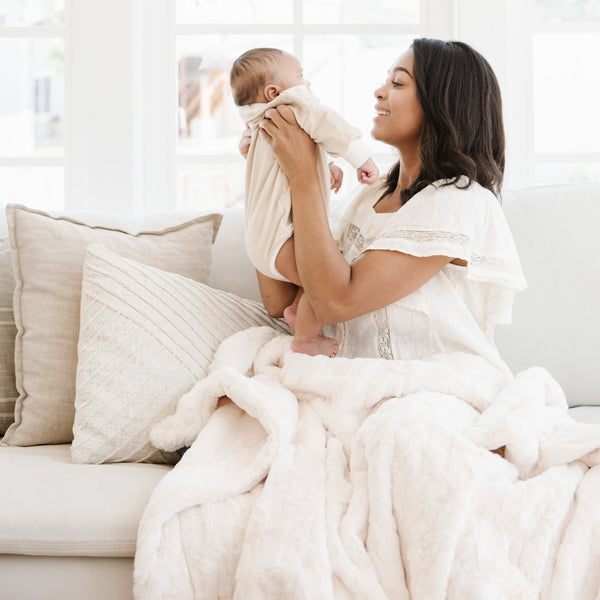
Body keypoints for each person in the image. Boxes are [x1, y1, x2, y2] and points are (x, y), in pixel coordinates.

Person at [255, 38, 526, 374]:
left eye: (397, 83)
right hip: (351, 383)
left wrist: (305, 179)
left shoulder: (458, 199)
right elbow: (279, 301)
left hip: (434, 386)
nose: (379, 92)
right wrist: (268, 177)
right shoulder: (369, 196)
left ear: (442, 105)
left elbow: (335, 301)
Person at [230, 47, 379, 357]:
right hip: (281, 238)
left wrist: (325, 170)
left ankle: (298, 311)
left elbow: (281, 170)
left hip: (263, 238)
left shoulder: (259, 124)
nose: (307, 85)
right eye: (300, 77)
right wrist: (359, 157)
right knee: (321, 278)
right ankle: (305, 340)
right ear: (275, 91)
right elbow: (328, 124)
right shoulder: (291, 105)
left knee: (312, 272)